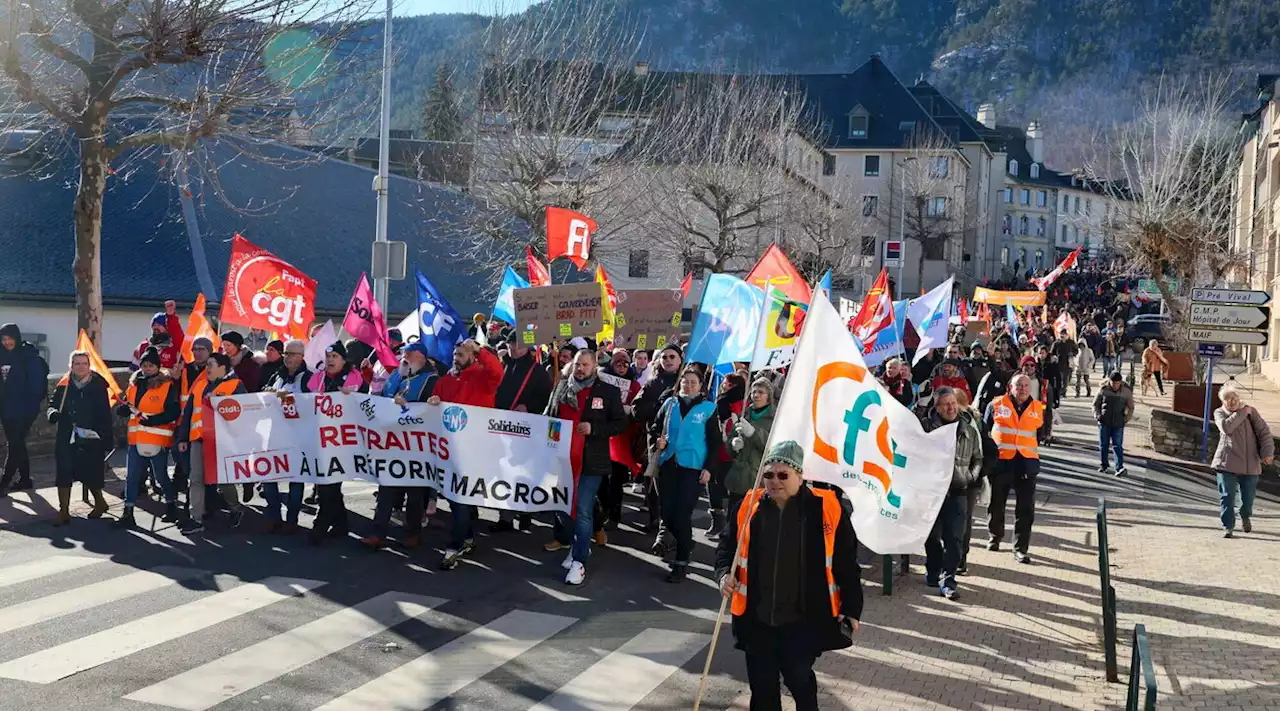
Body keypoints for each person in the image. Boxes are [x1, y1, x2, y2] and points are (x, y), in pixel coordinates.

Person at [715, 441, 863, 711]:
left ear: (800, 476)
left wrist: (852, 608)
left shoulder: (827, 507)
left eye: (783, 475)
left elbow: (846, 562)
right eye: (769, 474)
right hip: (757, 620)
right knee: (762, 690)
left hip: (802, 620)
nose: (774, 481)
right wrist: (724, 574)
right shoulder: (748, 506)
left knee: (799, 680)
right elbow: (727, 547)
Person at [543, 350, 625, 585]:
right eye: (578, 364)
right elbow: (549, 417)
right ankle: (579, 544)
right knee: (561, 507)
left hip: (591, 461)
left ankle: (579, 563)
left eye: (585, 365)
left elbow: (620, 424)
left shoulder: (607, 391)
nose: (580, 368)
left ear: (594, 366)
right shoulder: (561, 388)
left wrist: (594, 429)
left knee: (583, 510)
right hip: (561, 459)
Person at [428, 339, 503, 569]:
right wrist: (433, 401)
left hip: (476, 447)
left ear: (472, 356)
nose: (456, 358)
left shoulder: (483, 377)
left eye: (461, 355)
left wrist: (480, 350)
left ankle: (455, 545)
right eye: (455, 354)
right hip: (449, 449)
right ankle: (468, 534)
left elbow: (497, 371)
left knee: (460, 497)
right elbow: (435, 401)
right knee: (454, 496)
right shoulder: (446, 380)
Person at [362, 341, 439, 549]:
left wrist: (409, 407)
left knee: (414, 493)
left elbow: (430, 407)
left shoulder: (431, 379)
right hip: (392, 441)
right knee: (387, 488)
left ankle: (413, 532)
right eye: (404, 353)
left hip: (415, 444)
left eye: (409, 353)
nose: (404, 356)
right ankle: (378, 533)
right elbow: (383, 397)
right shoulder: (397, 374)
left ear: (421, 358)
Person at [654, 367, 722, 583]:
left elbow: (715, 442)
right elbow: (656, 426)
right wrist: (659, 439)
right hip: (669, 463)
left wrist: (709, 468)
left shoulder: (709, 409)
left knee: (682, 514)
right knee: (667, 513)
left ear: (701, 385)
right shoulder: (670, 403)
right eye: (685, 382)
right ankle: (686, 540)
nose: (689, 385)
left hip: (693, 467)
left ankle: (681, 562)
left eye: (693, 382)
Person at [922, 387, 984, 599]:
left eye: (953, 403)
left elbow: (978, 458)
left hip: (958, 491)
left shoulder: (968, 429)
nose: (951, 407)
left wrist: (970, 477)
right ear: (937, 408)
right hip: (932, 492)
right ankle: (934, 570)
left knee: (955, 539)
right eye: (946, 404)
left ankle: (948, 580)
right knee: (931, 537)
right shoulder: (926, 428)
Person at [175, 353, 246, 535]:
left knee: (222, 479)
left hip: (221, 441)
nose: (207, 368)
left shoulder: (235, 386)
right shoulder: (199, 386)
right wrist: (183, 438)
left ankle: (235, 508)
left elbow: (243, 415)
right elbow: (189, 413)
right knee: (196, 478)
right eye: (207, 364)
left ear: (223, 367)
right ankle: (195, 518)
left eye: (211, 364)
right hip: (198, 439)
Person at [306, 342, 367, 544]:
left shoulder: (355, 378)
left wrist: (354, 396)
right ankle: (341, 525)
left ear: (343, 359)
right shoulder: (318, 377)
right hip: (321, 439)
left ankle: (320, 526)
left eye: (335, 356)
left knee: (328, 484)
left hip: (343, 441)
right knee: (329, 483)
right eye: (328, 356)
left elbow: (366, 404)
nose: (330, 360)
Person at [490, 339, 554, 533]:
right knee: (503, 472)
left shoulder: (537, 370)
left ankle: (525, 513)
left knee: (523, 472)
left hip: (526, 429)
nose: (513, 349)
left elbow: (547, 398)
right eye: (510, 345)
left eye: (517, 345)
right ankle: (505, 517)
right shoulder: (502, 366)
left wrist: (529, 406)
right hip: (500, 425)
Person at [114, 348, 181, 527]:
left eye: (151, 365)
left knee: (160, 476)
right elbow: (128, 403)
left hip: (157, 438)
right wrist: (122, 409)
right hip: (136, 438)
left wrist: (154, 420)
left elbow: (173, 412)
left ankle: (171, 505)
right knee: (132, 476)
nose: (147, 368)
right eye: (144, 365)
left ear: (158, 367)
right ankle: (127, 513)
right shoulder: (134, 384)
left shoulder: (167, 385)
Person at [47, 351, 114, 525]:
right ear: (71, 365)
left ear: (89, 364)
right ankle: (63, 511)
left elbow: (105, 414)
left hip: (91, 435)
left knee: (90, 471)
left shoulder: (98, 385)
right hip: (66, 433)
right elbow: (53, 404)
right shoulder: (64, 384)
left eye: (84, 363)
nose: (81, 366)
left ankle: (100, 502)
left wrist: (106, 438)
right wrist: (53, 413)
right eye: (77, 363)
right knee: (64, 470)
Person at [984, 373, 1044, 564]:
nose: (1023, 389)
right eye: (1019, 385)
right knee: (996, 503)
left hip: (1026, 463)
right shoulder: (996, 404)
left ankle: (1020, 548)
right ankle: (995, 536)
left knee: (1026, 509)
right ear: (1010, 387)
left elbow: (1041, 433)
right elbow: (985, 431)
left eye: (1026, 385)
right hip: (1002, 462)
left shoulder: (1038, 407)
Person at [1212, 381, 1274, 538]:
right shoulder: (1219, 413)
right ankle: (1228, 526)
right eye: (1227, 398)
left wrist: (1268, 453)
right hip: (1227, 463)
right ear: (1222, 401)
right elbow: (1226, 428)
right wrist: (1241, 413)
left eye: (1234, 398)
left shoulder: (1251, 412)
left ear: (1239, 398)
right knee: (1227, 496)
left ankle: (1245, 515)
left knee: (1248, 500)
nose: (1231, 401)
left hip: (1250, 464)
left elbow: (1264, 433)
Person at [0, 323, 50, 494]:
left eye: (10, 338)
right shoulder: (2, 356)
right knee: (17, 443)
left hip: (25, 409)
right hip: (6, 409)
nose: (7, 342)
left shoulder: (28, 356)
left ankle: (4, 483)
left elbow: (35, 387)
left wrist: (26, 404)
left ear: (17, 338)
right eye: (4, 339)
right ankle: (25, 479)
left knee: (14, 444)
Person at [598, 348, 642, 534]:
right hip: (602, 437)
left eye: (625, 363)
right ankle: (604, 509)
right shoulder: (602, 382)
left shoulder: (635, 386)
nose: (622, 366)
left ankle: (614, 515)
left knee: (616, 480)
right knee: (600, 480)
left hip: (622, 439)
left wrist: (629, 410)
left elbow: (638, 410)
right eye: (618, 363)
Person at [724, 377, 775, 523]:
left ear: (768, 396)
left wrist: (753, 434)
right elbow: (729, 449)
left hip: (758, 480)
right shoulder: (744, 415)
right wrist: (733, 445)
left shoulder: (774, 419)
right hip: (738, 479)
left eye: (761, 392)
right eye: (753, 392)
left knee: (753, 523)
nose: (756, 395)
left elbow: (773, 448)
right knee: (733, 522)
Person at [708, 371, 746, 540]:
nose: (724, 386)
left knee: (729, 489)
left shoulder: (742, 404)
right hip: (717, 448)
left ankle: (730, 527)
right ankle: (717, 522)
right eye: (725, 383)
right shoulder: (720, 400)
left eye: (729, 384)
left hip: (732, 452)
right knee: (714, 485)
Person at [1093, 371, 1134, 476]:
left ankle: (1119, 467)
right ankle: (1104, 465)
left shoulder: (1126, 392)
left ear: (1120, 382)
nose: (1115, 385)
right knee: (1104, 445)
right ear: (1109, 381)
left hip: (1118, 422)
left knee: (1117, 446)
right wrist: (1098, 416)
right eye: (1113, 383)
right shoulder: (1103, 390)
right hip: (1104, 421)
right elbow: (1095, 404)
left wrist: (1126, 419)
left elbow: (1131, 407)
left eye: (1117, 383)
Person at [131, 300, 184, 370]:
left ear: (167, 328)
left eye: (159, 325)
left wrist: (171, 316)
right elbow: (133, 370)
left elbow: (176, 331)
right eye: (154, 325)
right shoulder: (143, 346)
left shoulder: (175, 346)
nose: (156, 327)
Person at [1052, 330, 1077, 405]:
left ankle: (1063, 392)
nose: (1062, 336)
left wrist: (1072, 354)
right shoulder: (1056, 343)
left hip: (1068, 364)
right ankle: (1059, 392)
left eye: (1064, 334)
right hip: (1058, 364)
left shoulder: (1071, 342)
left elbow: (1076, 350)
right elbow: (1052, 352)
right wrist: (1054, 357)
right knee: (1059, 380)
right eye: (1061, 334)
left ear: (1067, 335)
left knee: (1065, 380)